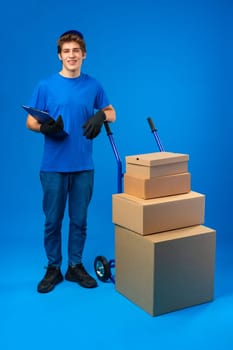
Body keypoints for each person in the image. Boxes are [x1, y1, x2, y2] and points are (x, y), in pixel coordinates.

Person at [26, 29, 116, 293]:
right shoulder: (45, 85)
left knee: (79, 219)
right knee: (52, 220)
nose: (71, 55)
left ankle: (74, 267)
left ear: (84, 54)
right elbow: (30, 120)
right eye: (66, 51)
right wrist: (45, 129)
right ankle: (53, 268)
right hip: (53, 166)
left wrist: (101, 116)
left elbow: (112, 112)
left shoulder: (94, 85)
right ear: (59, 56)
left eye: (76, 51)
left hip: (84, 166)